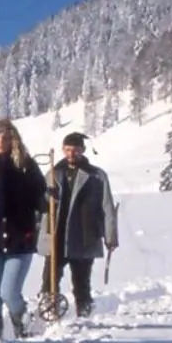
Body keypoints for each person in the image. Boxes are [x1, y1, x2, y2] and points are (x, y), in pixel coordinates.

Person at [0, 117, 47, 340]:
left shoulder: (26, 167)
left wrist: (48, 198)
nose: (0, 141)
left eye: (5, 137)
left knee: (9, 292)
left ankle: (25, 328)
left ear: (13, 140)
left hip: (20, 240)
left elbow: (40, 199)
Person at [39, 131, 119, 318]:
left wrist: (110, 236)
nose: (71, 154)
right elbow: (40, 206)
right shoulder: (52, 174)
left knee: (81, 284)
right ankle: (50, 316)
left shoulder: (97, 176)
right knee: (49, 283)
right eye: (67, 150)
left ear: (82, 150)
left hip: (84, 236)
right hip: (56, 237)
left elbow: (107, 207)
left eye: (75, 150)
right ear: (62, 150)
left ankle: (84, 318)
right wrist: (47, 197)